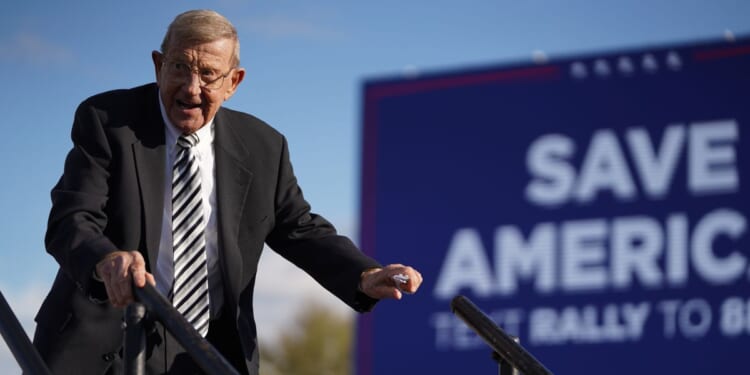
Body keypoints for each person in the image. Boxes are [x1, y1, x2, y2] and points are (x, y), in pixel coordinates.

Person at [32, 9, 422, 375]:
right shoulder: (109, 122)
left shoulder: (264, 146)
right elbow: (72, 219)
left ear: (234, 82)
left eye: (208, 74)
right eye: (180, 67)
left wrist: (363, 273)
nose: (191, 87)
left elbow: (300, 229)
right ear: (157, 65)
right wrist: (106, 260)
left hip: (208, 353)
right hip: (108, 348)